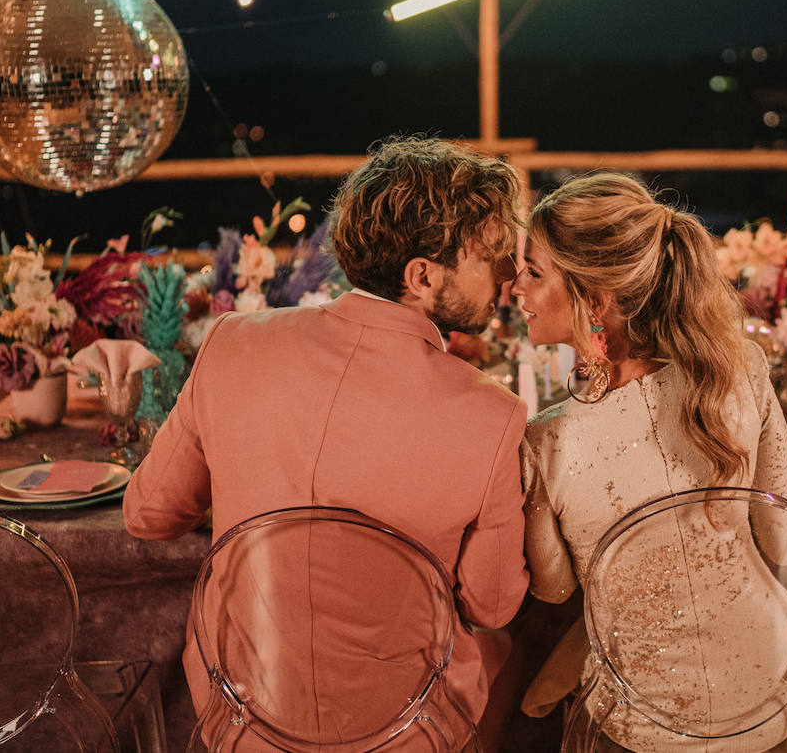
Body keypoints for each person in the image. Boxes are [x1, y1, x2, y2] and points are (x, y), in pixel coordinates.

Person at [124, 136, 530, 749]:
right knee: (507, 649)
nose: (506, 273)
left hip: (241, 724)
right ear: (421, 276)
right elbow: (492, 604)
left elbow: (148, 515)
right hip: (401, 734)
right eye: (489, 257)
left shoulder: (233, 341)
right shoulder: (494, 415)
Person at [511, 173, 787, 751]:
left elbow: (553, 591)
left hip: (642, 724)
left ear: (594, 300)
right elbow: (786, 543)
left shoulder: (545, 440)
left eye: (534, 272)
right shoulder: (739, 371)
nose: (515, 287)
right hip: (774, 699)